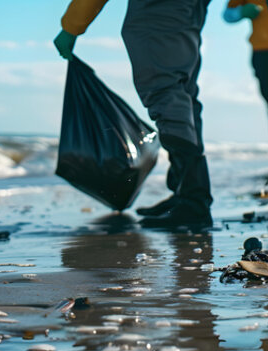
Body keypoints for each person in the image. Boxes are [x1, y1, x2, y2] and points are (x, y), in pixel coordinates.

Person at [53, 0, 220, 227]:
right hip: (191, 9)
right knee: (183, 94)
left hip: (157, 9)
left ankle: (194, 203)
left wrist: (71, 26)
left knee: (166, 93)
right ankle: (186, 194)